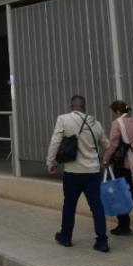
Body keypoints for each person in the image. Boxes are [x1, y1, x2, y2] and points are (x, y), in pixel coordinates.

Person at [46, 94, 110, 252]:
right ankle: (102, 241)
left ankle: (66, 237)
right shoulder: (96, 123)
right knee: (97, 207)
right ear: (84, 106)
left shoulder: (63, 119)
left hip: (73, 172)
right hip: (93, 172)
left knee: (69, 205)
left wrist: (50, 161)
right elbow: (107, 145)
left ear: (71, 106)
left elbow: (55, 141)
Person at [105, 99, 133, 237]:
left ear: (118, 111)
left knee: (120, 195)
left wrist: (106, 159)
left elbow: (113, 144)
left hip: (124, 165)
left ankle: (124, 225)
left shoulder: (117, 123)